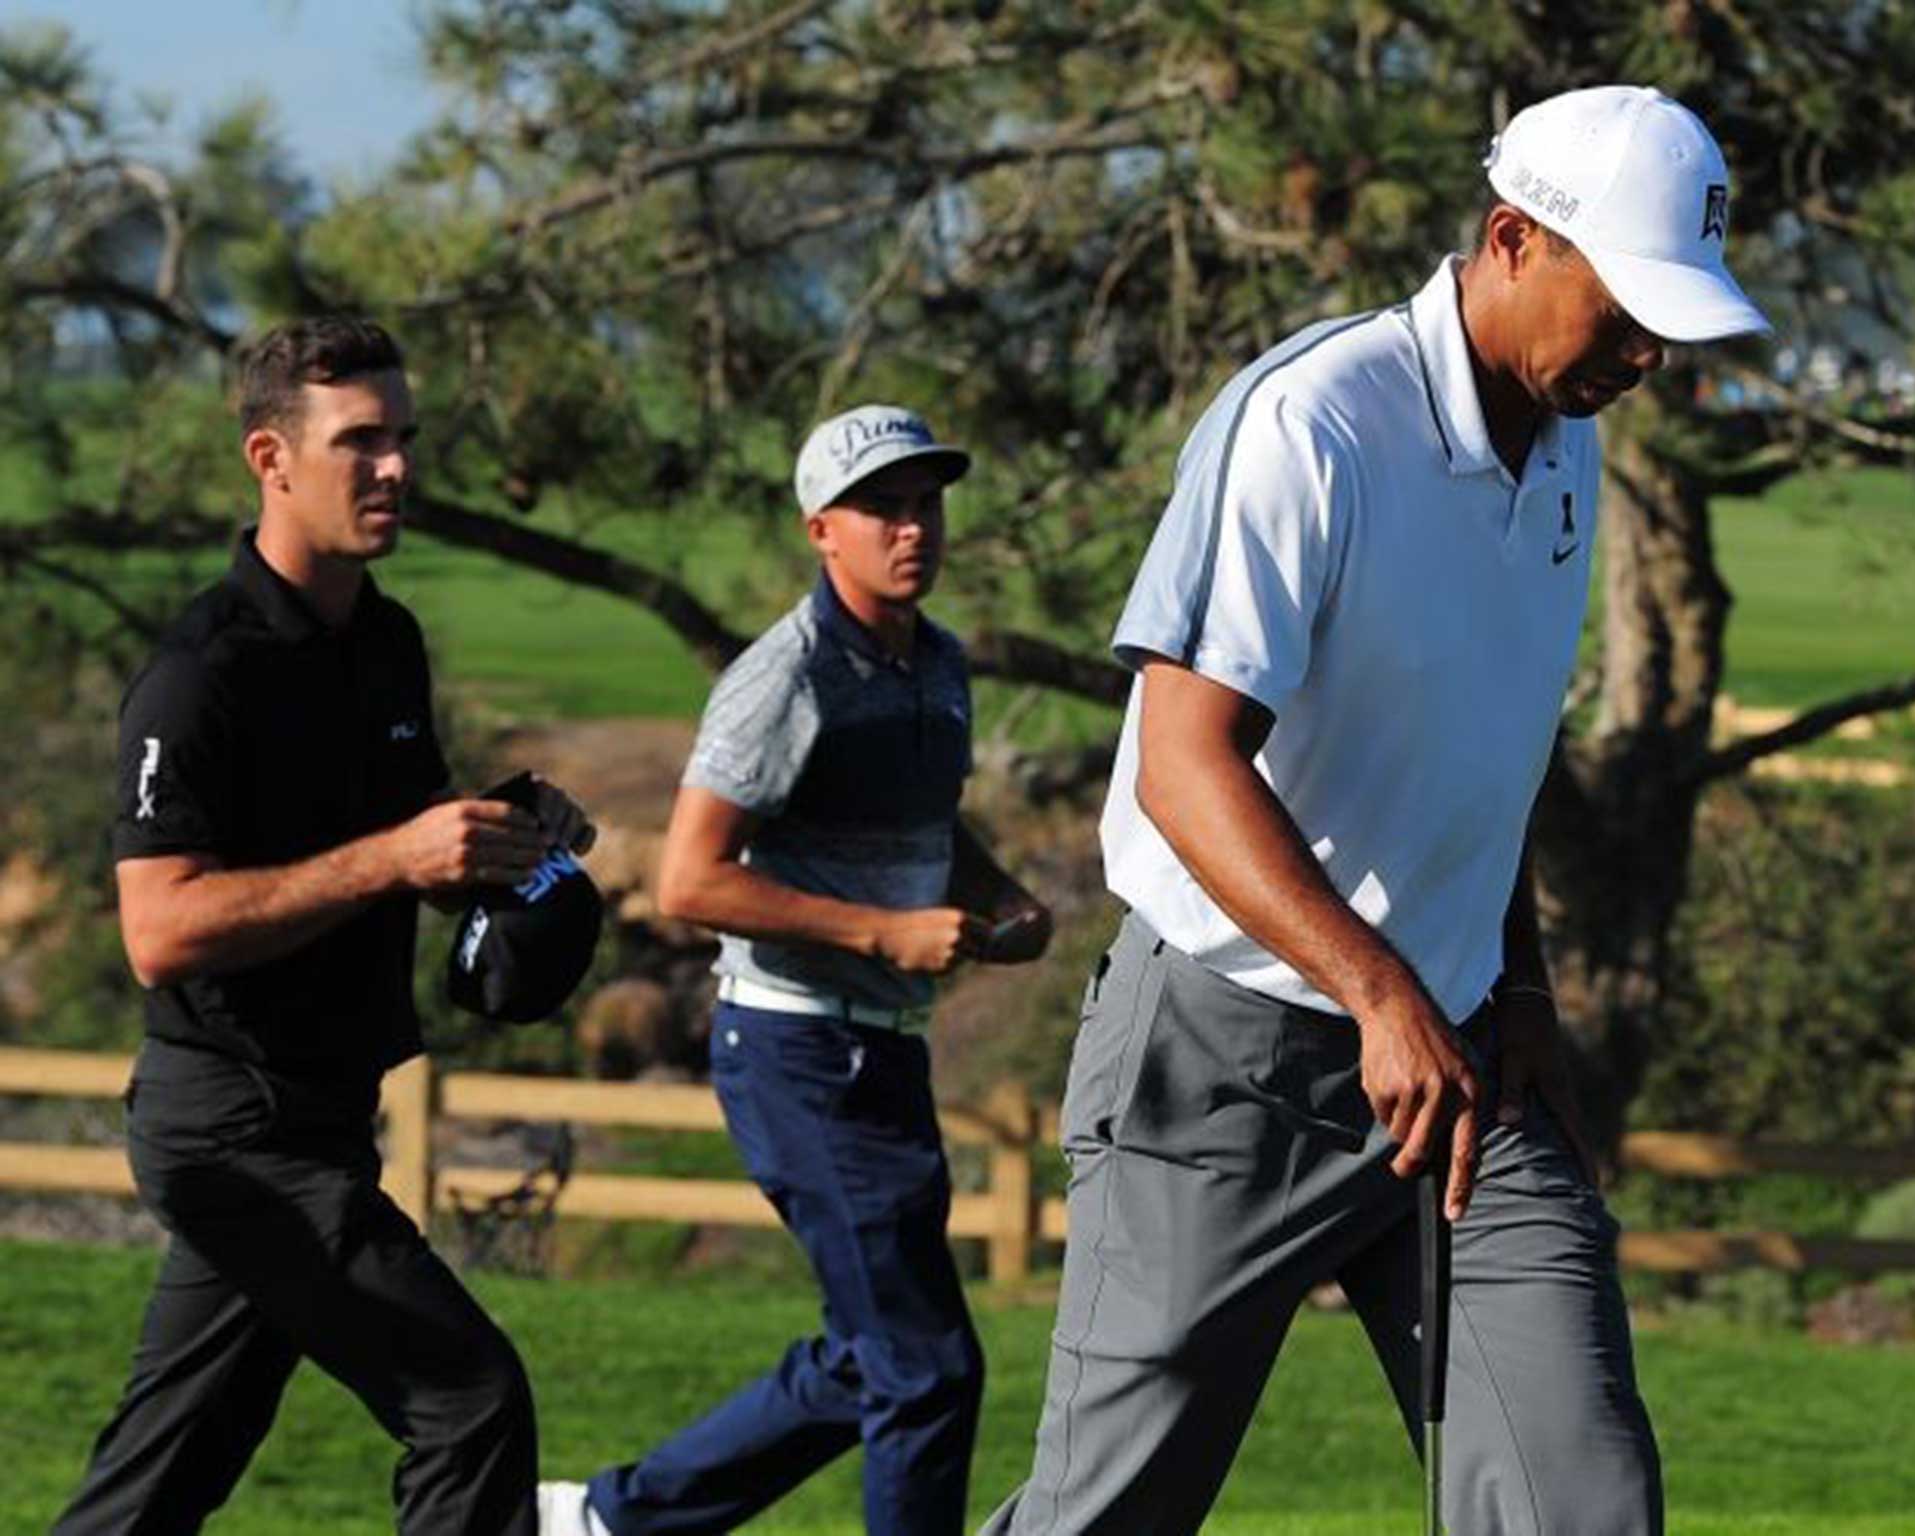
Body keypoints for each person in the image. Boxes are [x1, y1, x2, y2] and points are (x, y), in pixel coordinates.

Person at [982, 85, 1771, 1536]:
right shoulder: (1311, 421)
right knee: (1111, 1515)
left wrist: (1514, 980)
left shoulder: (1573, 440)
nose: (1650, 354)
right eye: (1626, 311)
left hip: (1459, 1071)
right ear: (1512, 240)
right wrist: (1377, 991)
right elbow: (1184, 764)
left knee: (1582, 1497)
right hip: (1222, 1063)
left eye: (1672, 323)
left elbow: (1485, 750)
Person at [54, 315, 592, 1536]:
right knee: (470, 1402)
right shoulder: (200, 676)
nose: (396, 467)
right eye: (360, 441)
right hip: (235, 1129)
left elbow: (406, 853)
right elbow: (161, 930)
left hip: (324, 1119)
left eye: (404, 437)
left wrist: (497, 840)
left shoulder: (386, 643)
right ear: (272, 457)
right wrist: (394, 855)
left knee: (161, 1479)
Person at [540, 405, 1053, 1536]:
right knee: (926, 1371)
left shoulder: (939, 665)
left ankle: (608, 1523)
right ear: (821, 530)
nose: (912, 527)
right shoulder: (783, 678)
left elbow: (928, 827)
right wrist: (880, 934)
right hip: (796, 1047)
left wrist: (993, 896)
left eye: (924, 502)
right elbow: (688, 881)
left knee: (869, 1355)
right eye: (881, 507)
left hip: (884, 1050)